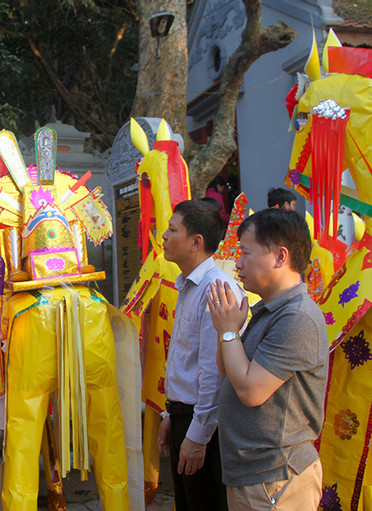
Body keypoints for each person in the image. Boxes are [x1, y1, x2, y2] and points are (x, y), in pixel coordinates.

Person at [207, 208, 328, 511]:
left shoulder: (297, 317)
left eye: (245, 253)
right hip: (252, 473)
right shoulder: (268, 311)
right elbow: (230, 377)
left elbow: (251, 391)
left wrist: (229, 332)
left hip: (276, 474)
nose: (237, 263)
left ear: (280, 257)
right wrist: (226, 331)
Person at [158, 200, 244, 511]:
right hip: (186, 417)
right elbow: (186, 360)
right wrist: (171, 415)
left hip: (205, 426)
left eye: (172, 230)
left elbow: (213, 374)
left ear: (196, 242)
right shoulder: (189, 285)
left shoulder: (216, 290)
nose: (164, 236)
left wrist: (197, 436)